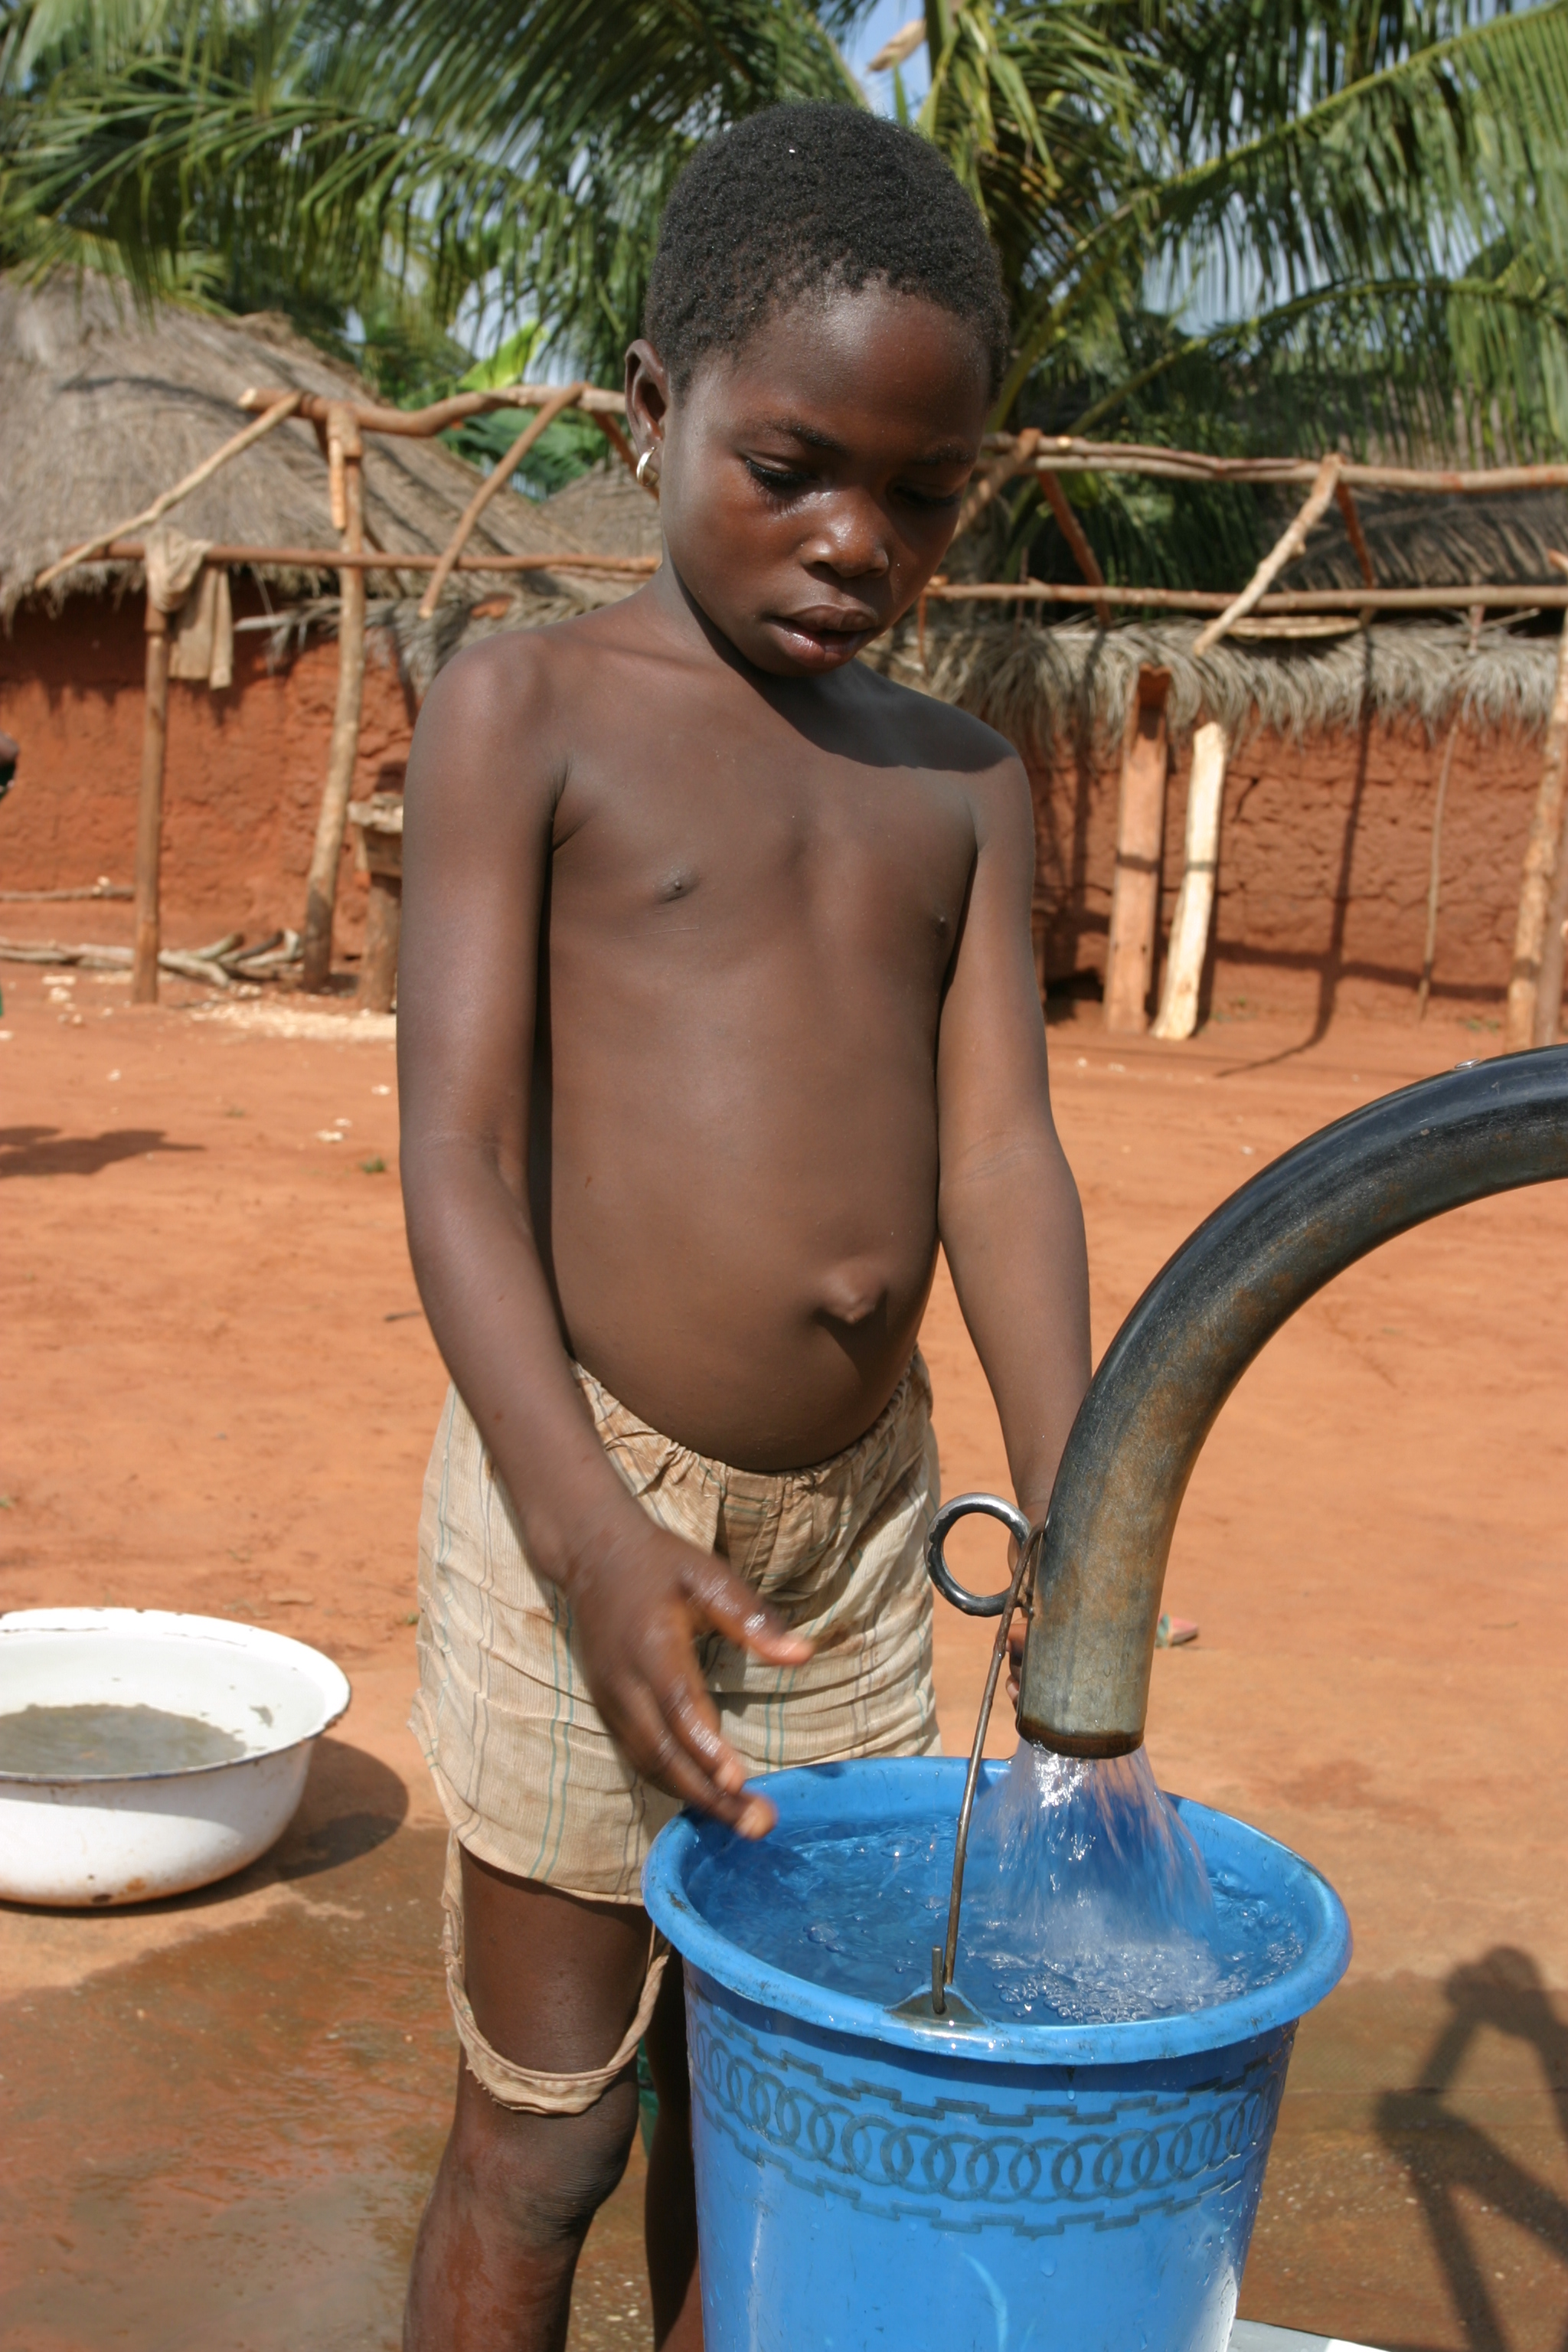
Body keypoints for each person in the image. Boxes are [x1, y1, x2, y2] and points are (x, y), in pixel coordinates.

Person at [397, 103, 1092, 2352]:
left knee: (776, 2125)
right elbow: (457, 1168)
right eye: (789, 465)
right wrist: (595, 1536)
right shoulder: (533, 714)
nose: (851, 540)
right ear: (648, 408)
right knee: (551, 2128)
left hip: (861, 1562)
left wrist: (1091, 1500)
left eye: (918, 494)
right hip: (576, 1510)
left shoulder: (959, 780)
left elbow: (999, 1158)